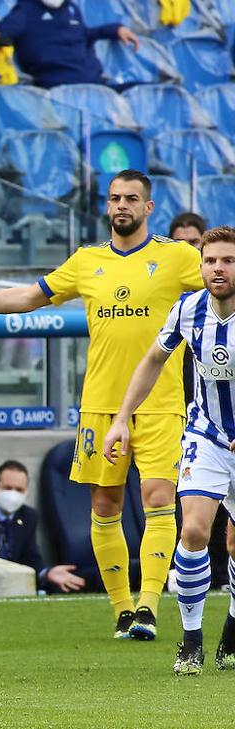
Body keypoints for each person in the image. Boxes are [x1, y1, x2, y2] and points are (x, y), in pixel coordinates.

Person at [0, 169, 202, 641]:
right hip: (99, 404)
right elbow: (30, 296)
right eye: (115, 198)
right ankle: (122, 610)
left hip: (161, 402)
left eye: (131, 198)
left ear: (148, 207)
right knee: (104, 502)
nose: (122, 206)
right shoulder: (87, 260)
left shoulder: (177, 257)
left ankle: (149, 606)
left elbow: (221, 283)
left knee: (158, 497)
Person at [102, 225, 235, 674]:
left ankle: (233, 626)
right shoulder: (188, 309)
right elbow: (153, 361)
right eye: (210, 261)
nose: (218, 268)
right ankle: (191, 641)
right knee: (194, 530)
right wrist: (121, 419)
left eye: (228, 260)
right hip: (206, 435)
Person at [0, 460, 87, 593]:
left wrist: (46, 573)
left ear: (26, 492)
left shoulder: (28, 516)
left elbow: (31, 557)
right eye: (8, 488)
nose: (13, 494)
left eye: (19, 490)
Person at [0, 0, 139, 89]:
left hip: (94, 84)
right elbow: (2, 37)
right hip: (60, 87)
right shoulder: (26, 10)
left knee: (143, 90)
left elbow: (82, 35)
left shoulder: (71, 9)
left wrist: (115, 29)